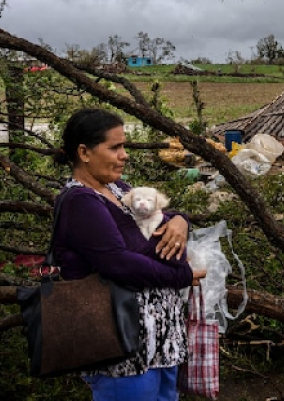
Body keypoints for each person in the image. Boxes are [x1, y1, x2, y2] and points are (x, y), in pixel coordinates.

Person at [53, 108, 206, 400]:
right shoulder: (80, 201)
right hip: (122, 349)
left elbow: (156, 215)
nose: (125, 155)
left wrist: (180, 220)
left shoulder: (116, 187)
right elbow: (119, 264)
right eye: (115, 147)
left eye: (124, 146)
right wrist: (183, 275)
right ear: (84, 152)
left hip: (158, 342)